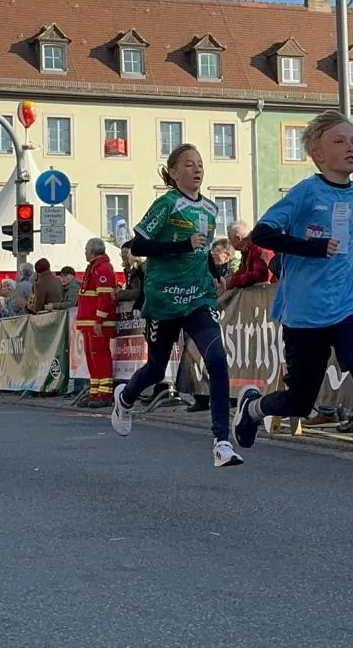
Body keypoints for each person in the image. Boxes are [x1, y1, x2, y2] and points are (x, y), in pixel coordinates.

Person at [233, 111, 353, 521]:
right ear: (317, 153)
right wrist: (312, 248)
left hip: (347, 307)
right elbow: (263, 234)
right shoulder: (304, 193)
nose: (351, 148)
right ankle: (254, 409)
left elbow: (347, 247)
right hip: (303, 313)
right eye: (339, 141)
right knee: (300, 402)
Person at [111, 144, 242, 468]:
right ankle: (125, 398)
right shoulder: (167, 204)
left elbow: (203, 250)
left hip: (198, 297)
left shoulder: (210, 209)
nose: (196, 170)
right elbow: (138, 245)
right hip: (164, 298)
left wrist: (216, 274)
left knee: (217, 359)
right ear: (173, 172)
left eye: (200, 164)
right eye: (188, 164)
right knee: (156, 369)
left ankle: (222, 442)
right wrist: (183, 244)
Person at [75, 239, 119, 407]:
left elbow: (105, 297)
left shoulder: (103, 269)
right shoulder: (94, 268)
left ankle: (105, 394)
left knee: (100, 356)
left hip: (97, 322)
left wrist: (99, 320)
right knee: (92, 358)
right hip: (89, 322)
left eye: (86, 249)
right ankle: (95, 391)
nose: (85, 252)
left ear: (92, 251)